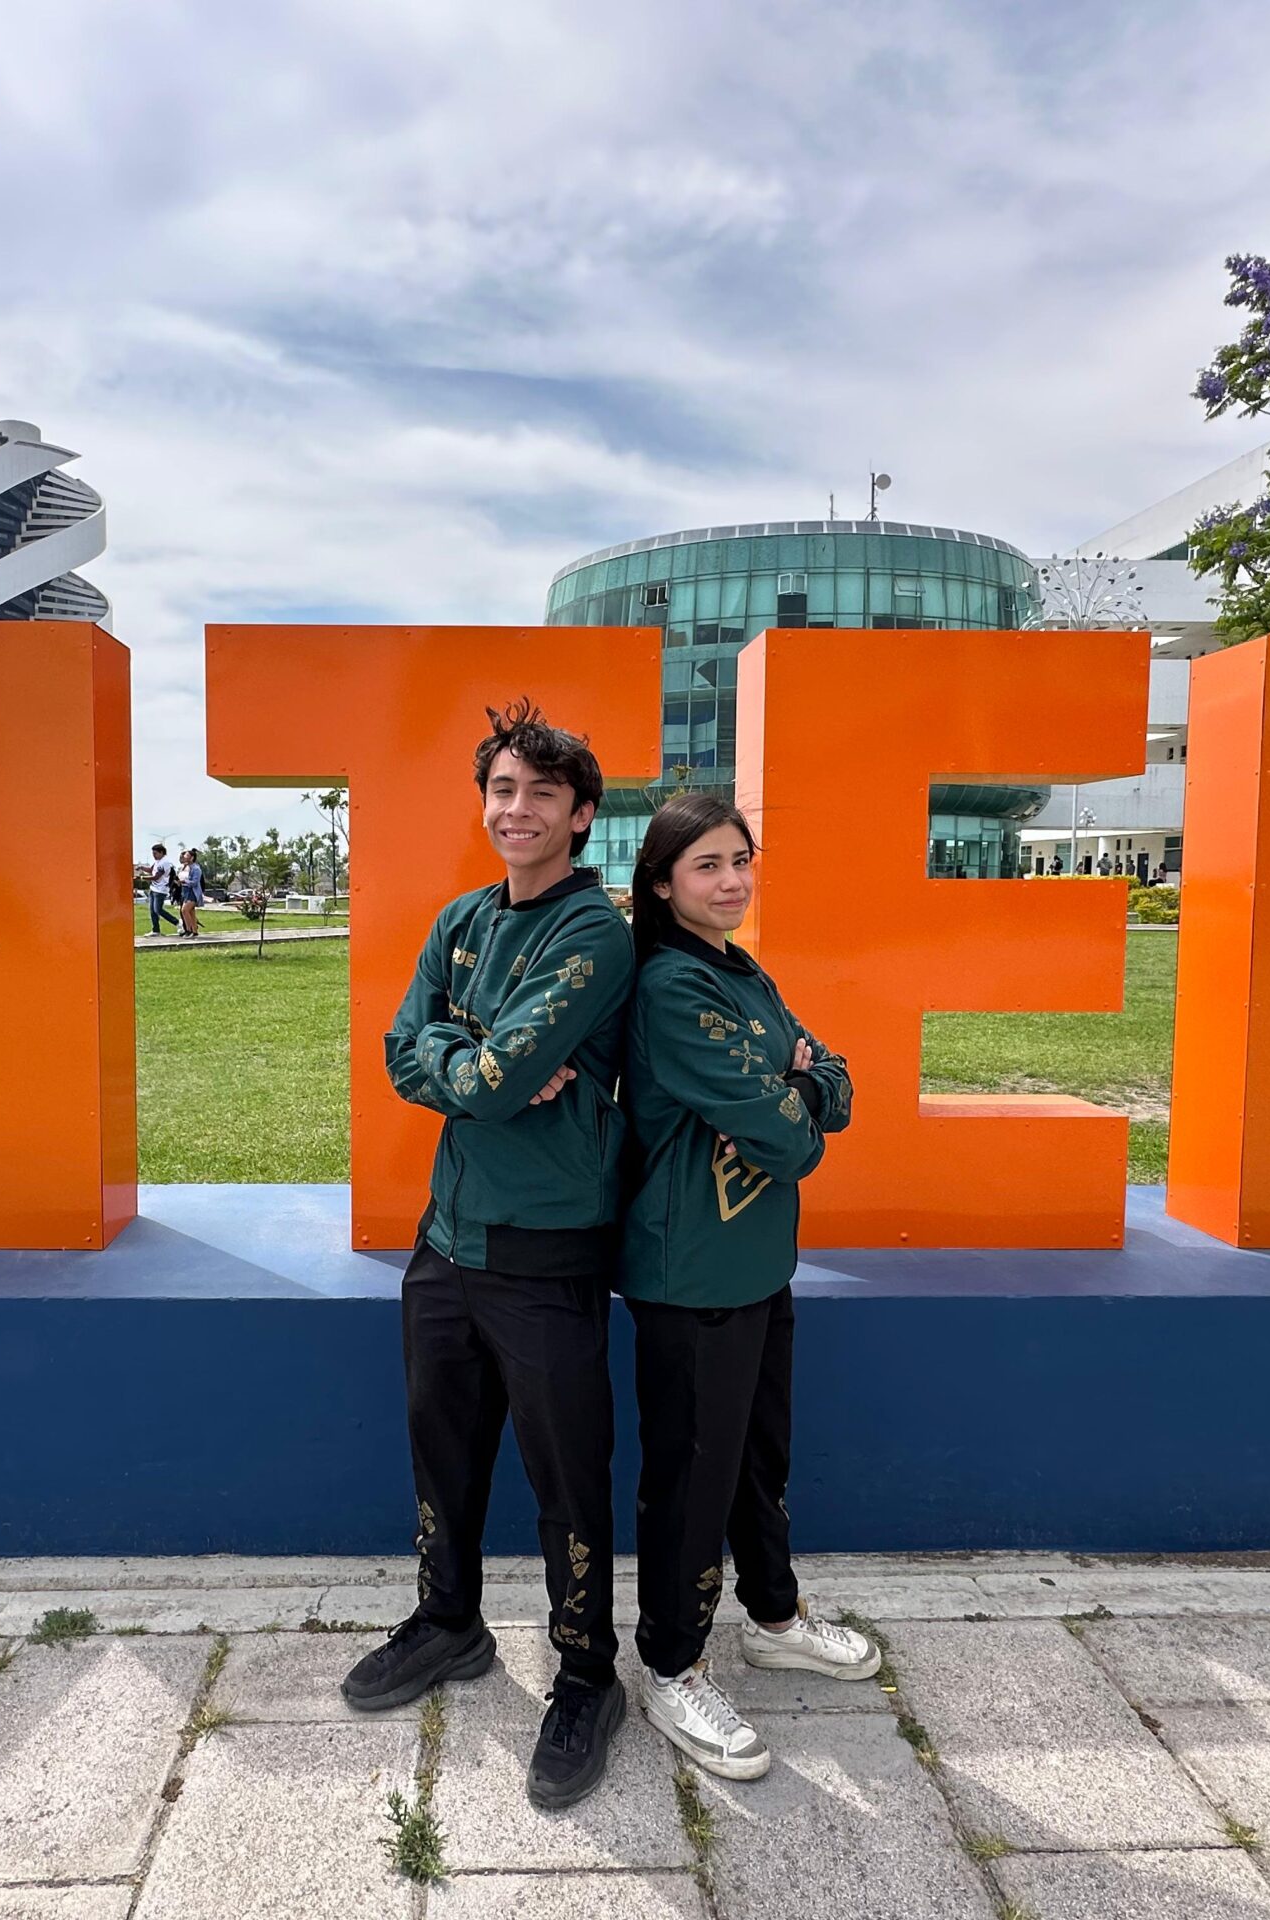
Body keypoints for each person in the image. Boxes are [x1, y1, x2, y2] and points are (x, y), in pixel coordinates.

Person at [341, 698, 634, 1811]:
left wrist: (473, 1060)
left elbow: (495, 1079)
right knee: (444, 1456)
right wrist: (474, 1054)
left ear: (581, 814)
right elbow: (402, 1052)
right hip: (445, 1242)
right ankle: (448, 1623)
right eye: (502, 790)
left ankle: (587, 1675)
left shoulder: (592, 932)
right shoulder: (460, 918)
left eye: (542, 794)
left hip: (545, 1250)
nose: (517, 810)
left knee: (567, 1479)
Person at [617, 789, 877, 1782]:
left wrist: (801, 1085)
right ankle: (670, 1664)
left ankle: (773, 1617)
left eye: (740, 860)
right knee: (691, 1476)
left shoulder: (740, 971)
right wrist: (793, 1092)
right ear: (660, 884)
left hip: (760, 1262)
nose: (731, 881)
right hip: (692, 1272)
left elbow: (831, 1083)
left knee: (758, 1459)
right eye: (707, 866)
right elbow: (789, 1139)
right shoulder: (671, 988)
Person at [145, 842, 180, 935]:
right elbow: (150, 870)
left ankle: (177, 922)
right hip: (153, 888)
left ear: (161, 852)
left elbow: (156, 877)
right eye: (153, 854)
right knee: (152, 911)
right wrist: (141, 868)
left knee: (158, 909)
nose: (154, 856)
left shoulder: (165, 862)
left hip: (160, 890)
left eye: (155, 853)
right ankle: (155, 930)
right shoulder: (157, 861)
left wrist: (141, 878)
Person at [179, 848, 204, 937]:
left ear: (192, 857)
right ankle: (194, 930)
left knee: (184, 910)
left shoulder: (196, 869)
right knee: (191, 912)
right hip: (185, 891)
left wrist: (184, 881)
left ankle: (188, 930)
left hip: (192, 892)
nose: (184, 857)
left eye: (186, 855)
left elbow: (195, 882)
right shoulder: (185, 867)